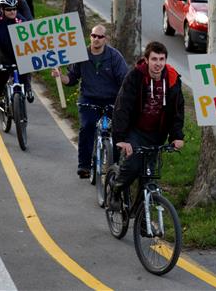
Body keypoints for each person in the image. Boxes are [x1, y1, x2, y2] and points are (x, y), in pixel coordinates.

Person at [108, 41, 185, 210]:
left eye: (162, 59)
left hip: (157, 133)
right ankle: (115, 189)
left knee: (149, 176)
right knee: (133, 166)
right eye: (154, 59)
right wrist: (121, 138)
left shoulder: (172, 79)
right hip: (135, 130)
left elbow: (177, 111)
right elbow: (123, 106)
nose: (158, 63)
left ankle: (142, 219)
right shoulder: (135, 76)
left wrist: (177, 136)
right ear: (147, 60)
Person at [51, 25, 128, 178]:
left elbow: (124, 81)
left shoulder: (115, 57)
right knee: (87, 127)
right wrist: (60, 77)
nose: (96, 39)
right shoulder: (81, 54)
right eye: (93, 36)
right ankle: (84, 166)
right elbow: (72, 78)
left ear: (106, 39)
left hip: (111, 100)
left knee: (117, 132)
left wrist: (123, 100)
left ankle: (117, 167)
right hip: (89, 99)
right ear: (90, 37)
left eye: (100, 37)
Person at [0, 0, 33, 103]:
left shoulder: (20, 20)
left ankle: (28, 88)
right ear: (2, 9)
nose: (12, 12)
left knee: (25, 68)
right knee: (3, 70)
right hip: (2, 50)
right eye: (9, 9)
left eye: (14, 9)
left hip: (17, 50)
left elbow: (30, 39)